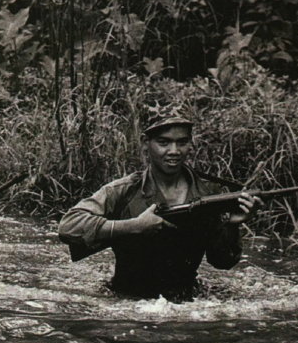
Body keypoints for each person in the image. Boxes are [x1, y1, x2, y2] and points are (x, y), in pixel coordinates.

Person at [57, 109, 259, 302]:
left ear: (191, 144)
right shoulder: (123, 191)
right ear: (146, 143)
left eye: (182, 142)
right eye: (164, 142)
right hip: (125, 301)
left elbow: (222, 262)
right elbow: (68, 225)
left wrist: (232, 225)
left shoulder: (209, 194)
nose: (174, 151)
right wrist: (134, 226)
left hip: (189, 304)